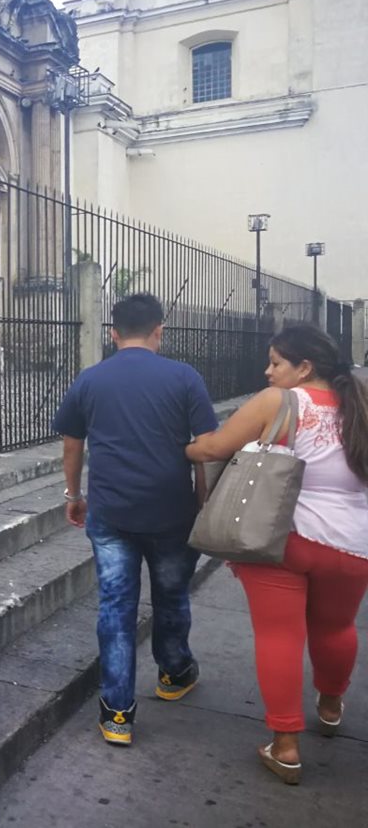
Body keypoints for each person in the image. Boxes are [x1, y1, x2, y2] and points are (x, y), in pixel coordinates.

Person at [187, 323, 368, 784]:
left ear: (304, 367)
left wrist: (187, 447)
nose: (267, 373)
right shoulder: (360, 404)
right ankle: (329, 706)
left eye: (275, 363)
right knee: (337, 627)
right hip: (352, 544)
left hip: (281, 540)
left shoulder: (282, 402)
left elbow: (216, 446)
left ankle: (285, 746)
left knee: (279, 636)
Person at [53, 293, 218, 745]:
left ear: (113, 333)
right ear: (159, 330)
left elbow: (72, 444)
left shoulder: (90, 379)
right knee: (171, 596)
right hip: (172, 512)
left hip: (110, 513)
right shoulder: (184, 377)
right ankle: (174, 672)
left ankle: (118, 713)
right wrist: (202, 498)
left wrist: (73, 494)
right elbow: (206, 445)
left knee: (116, 606)